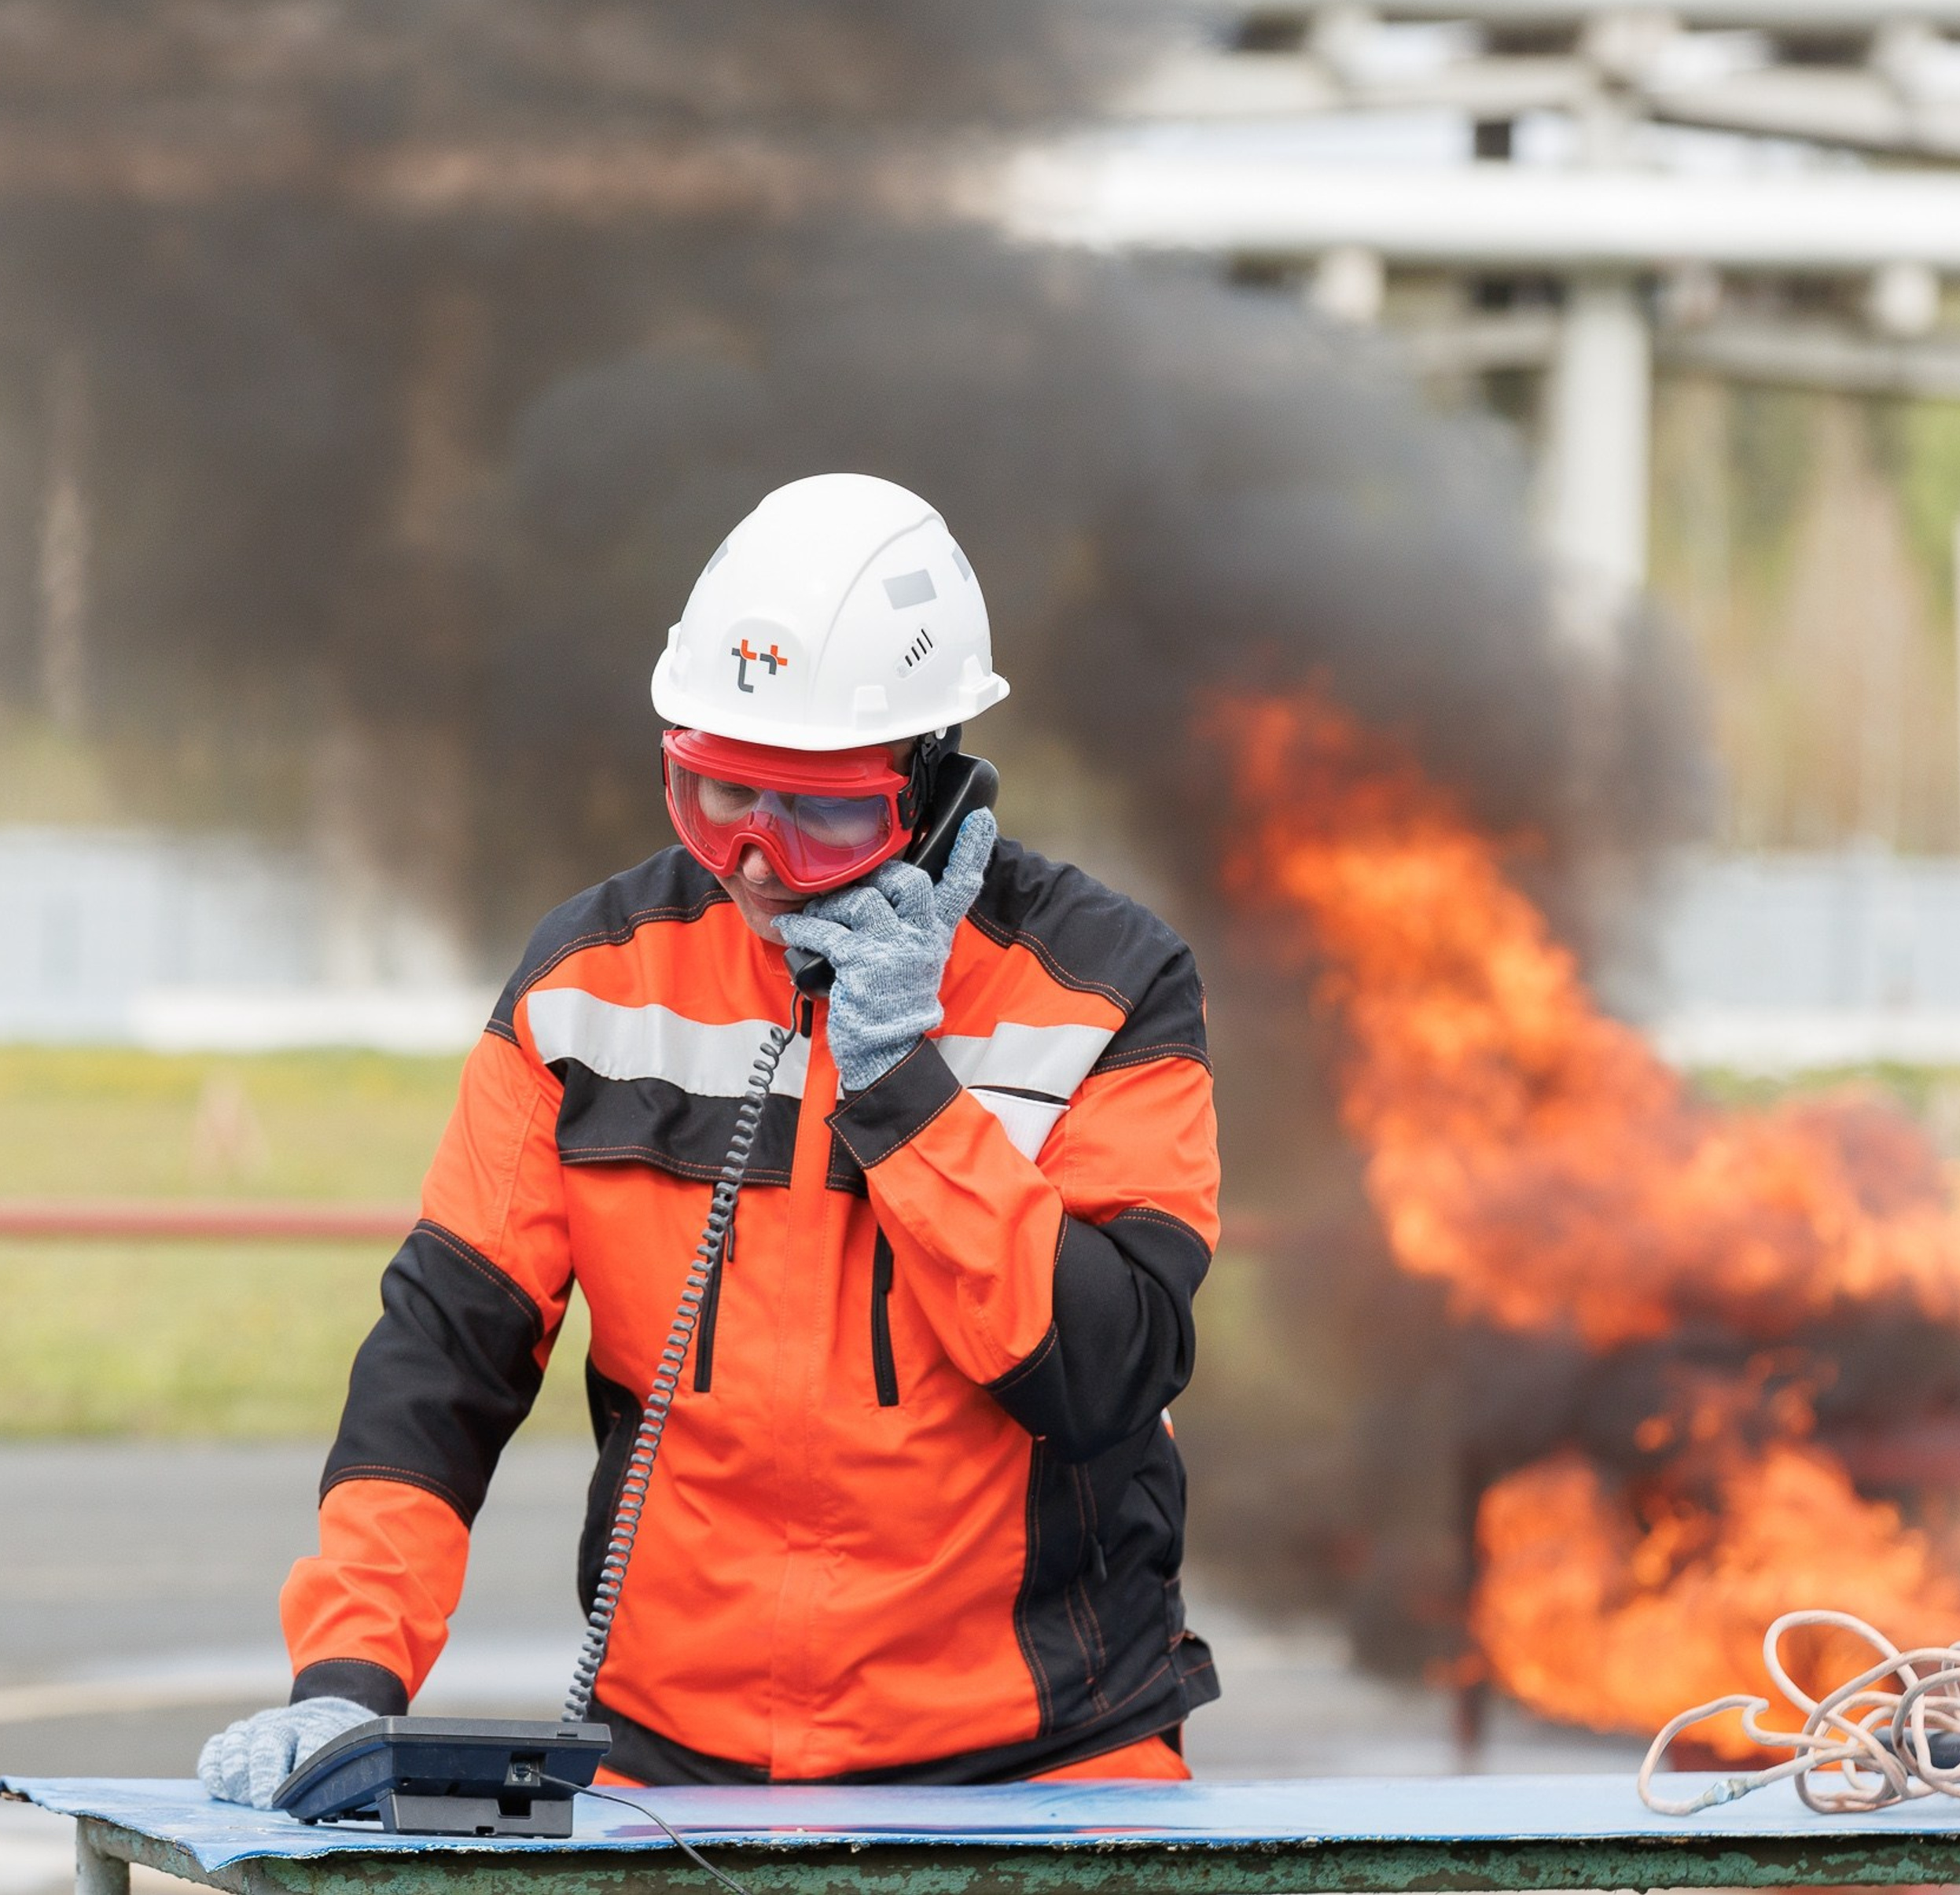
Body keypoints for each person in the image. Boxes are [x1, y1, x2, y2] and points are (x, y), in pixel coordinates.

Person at [199, 473, 1221, 1807]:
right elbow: (441, 1358)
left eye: (823, 812)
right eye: (720, 800)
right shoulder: (588, 985)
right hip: (671, 1770)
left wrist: (905, 1090)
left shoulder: (1110, 989)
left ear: (939, 780)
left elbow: (1104, 1372)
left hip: (1049, 1761)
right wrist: (346, 1676)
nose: (756, 861)